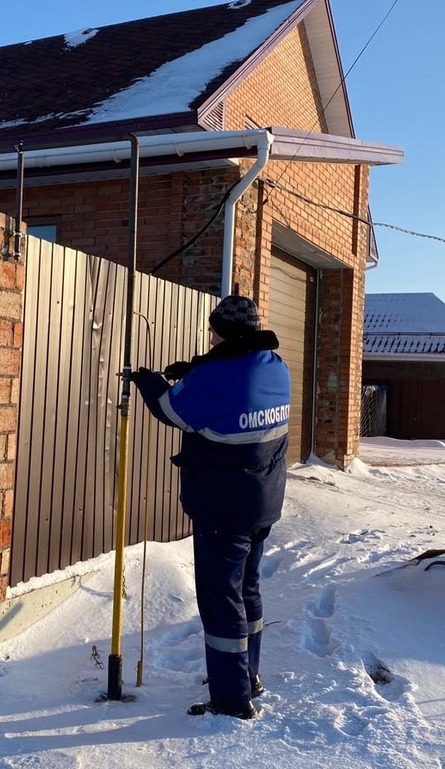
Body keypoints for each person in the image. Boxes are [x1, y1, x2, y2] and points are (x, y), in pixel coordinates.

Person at [132, 294, 291, 720]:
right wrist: (196, 370)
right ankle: (248, 674)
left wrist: (150, 382)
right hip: (263, 502)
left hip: (224, 508)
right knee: (247, 590)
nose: (209, 334)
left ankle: (231, 698)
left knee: (221, 600)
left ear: (223, 332)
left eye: (213, 329)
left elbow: (171, 409)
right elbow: (232, 385)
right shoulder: (276, 367)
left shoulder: (216, 377)